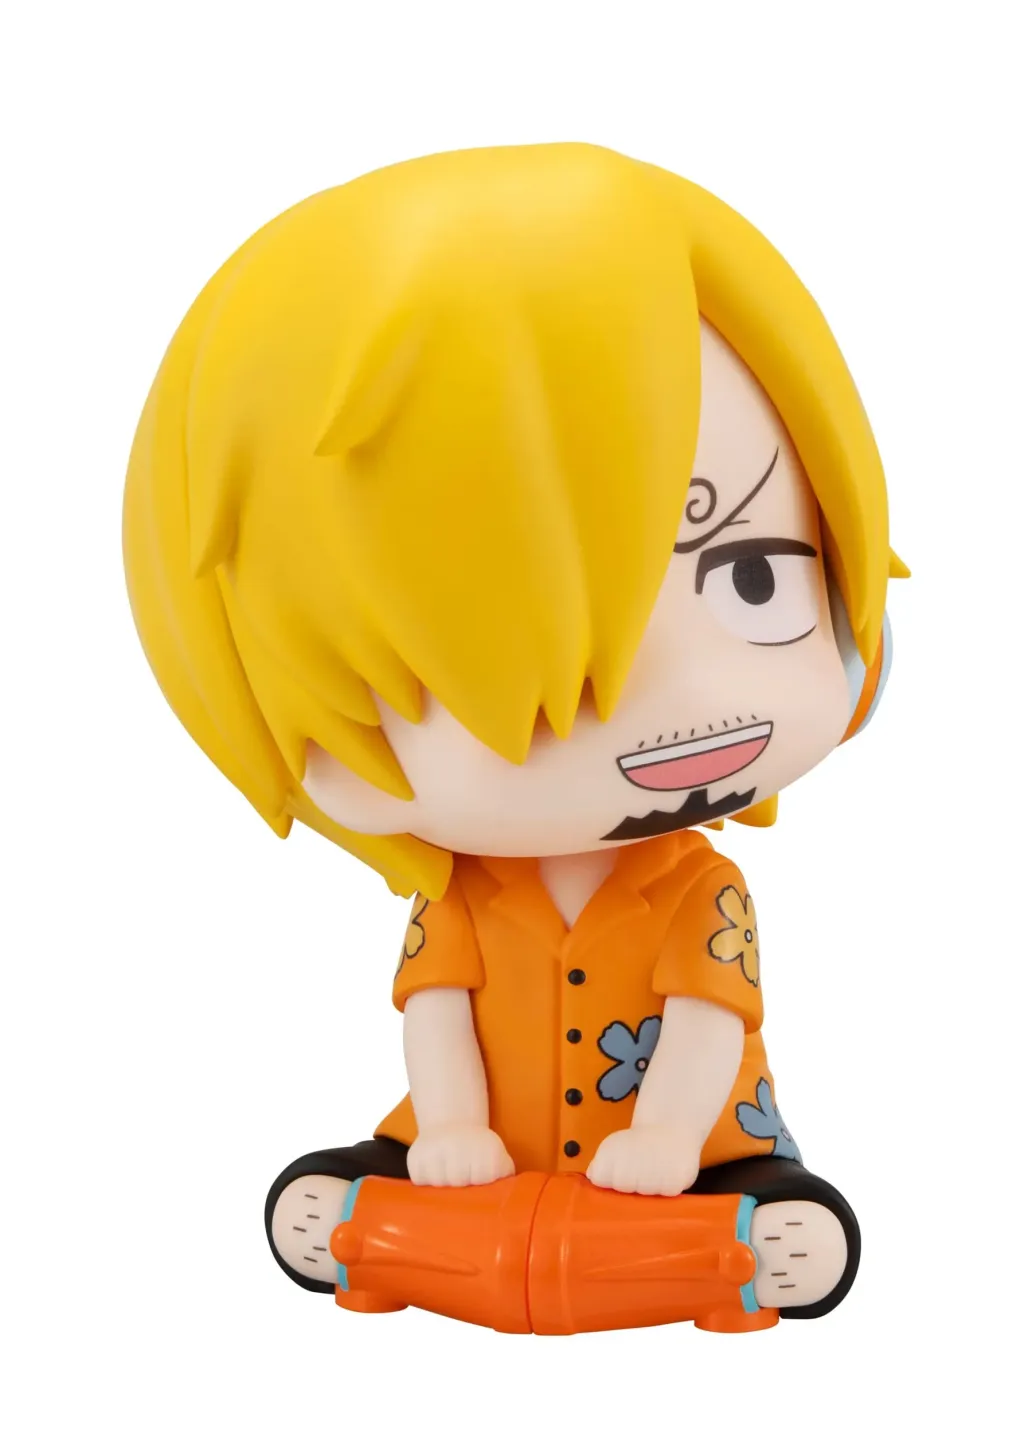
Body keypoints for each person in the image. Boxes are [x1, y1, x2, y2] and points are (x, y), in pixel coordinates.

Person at [123, 143, 906, 1333]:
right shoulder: (458, 897)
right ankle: (380, 1223)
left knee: (790, 1219)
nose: (686, 698)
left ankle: (741, 1241)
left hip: (694, 1153)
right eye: (499, 645)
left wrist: (663, 1139)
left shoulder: (702, 890)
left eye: (753, 574)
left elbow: (707, 1026)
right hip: (475, 1165)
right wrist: (446, 1129)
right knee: (320, 1192)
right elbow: (434, 1016)